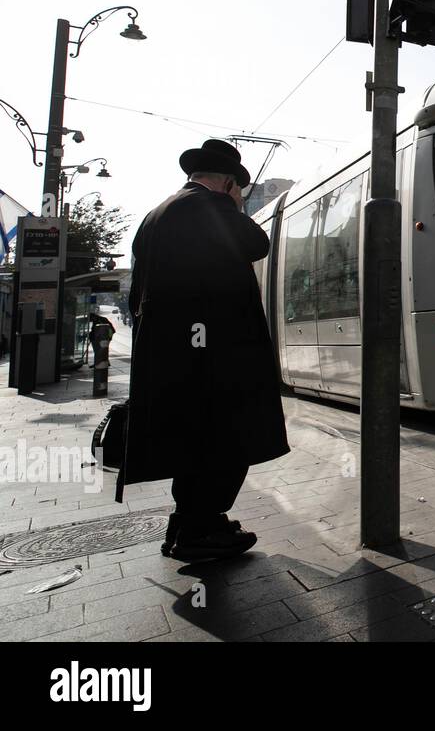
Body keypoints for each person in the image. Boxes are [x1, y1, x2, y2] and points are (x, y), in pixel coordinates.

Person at [120, 139, 289, 562]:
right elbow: (256, 244)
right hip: (214, 356)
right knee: (229, 437)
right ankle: (200, 528)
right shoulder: (207, 207)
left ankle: (187, 524)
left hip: (175, 354)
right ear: (229, 182)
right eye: (237, 190)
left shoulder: (157, 214)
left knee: (192, 440)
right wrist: (231, 205)